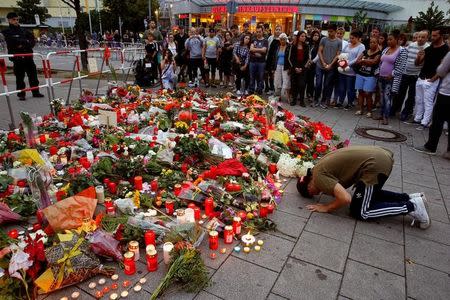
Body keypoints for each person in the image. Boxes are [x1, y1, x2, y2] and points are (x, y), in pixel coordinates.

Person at [297, 146, 430, 229]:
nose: (317, 194)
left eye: (313, 194)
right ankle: (411, 198)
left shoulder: (318, 178)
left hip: (375, 166)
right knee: (366, 196)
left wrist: (326, 208)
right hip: (377, 156)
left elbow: (345, 198)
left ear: (309, 187)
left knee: (360, 211)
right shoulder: (317, 168)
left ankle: (413, 207)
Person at [414, 51, 450, 158]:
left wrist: (442, 63)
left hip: (447, 92)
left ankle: (431, 146)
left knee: (438, 119)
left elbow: (441, 70)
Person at [2, 12, 44, 101]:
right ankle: (21, 94)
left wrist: (23, 43)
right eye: (14, 19)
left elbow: (32, 41)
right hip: (17, 58)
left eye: (17, 19)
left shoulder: (24, 30)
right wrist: (24, 42)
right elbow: (12, 42)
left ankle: (35, 92)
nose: (16, 21)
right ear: (9, 20)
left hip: (28, 56)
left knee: (33, 76)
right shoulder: (6, 31)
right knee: (20, 77)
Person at [413, 27, 449, 130]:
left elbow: (444, 67)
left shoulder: (445, 49)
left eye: (435, 36)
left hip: (431, 79)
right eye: (432, 35)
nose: (432, 38)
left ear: (441, 36)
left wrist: (434, 79)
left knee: (428, 102)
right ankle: (417, 119)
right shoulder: (429, 48)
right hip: (421, 77)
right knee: (419, 100)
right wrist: (418, 57)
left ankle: (424, 122)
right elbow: (417, 64)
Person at [395, 30, 429, 121]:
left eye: (423, 37)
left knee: (411, 95)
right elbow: (404, 56)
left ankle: (406, 112)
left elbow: (418, 63)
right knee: (400, 92)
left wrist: (418, 57)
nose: (420, 39)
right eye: (419, 37)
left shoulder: (427, 48)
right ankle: (394, 109)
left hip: (416, 75)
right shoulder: (411, 45)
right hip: (405, 72)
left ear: (427, 38)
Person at [377, 30, 407, 125]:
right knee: (382, 97)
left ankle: (386, 117)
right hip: (381, 77)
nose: (388, 41)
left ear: (397, 39)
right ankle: (381, 114)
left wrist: (392, 74)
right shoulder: (386, 49)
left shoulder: (402, 51)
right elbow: (381, 62)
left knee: (387, 98)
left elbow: (401, 66)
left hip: (391, 79)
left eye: (391, 39)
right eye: (388, 40)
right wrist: (379, 71)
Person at [314, 24, 342, 108]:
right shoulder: (323, 39)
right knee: (318, 83)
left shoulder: (339, 42)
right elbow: (319, 51)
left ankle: (323, 101)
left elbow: (338, 55)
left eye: (331, 31)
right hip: (320, 65)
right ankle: (316, 100)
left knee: (327, 85)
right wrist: (323, 63)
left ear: (335, 31)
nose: (329, 33)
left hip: (331, 67)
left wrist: (330, 65)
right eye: (328, 31)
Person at [336, 30, 365, 109]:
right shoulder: (348, 45)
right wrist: (341, 62)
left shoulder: (361, 46)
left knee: (350, 89)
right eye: (350, 38)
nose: (351, 40)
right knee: (342, 87)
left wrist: (347, 64)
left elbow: (358, 58)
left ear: (358, 38)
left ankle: (350, 102)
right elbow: (342, 54)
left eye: (353, 38)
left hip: (352, 72)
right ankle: (340, 101)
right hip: (343, 70)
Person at [354, 37, 381, 117]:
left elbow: (374, 62)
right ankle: (360, 109)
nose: (372, 44)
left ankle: (369, 111)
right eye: (371, 42)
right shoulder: (365, 51)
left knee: (368, 93)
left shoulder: (379, 53)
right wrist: (365, 61)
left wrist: (363, 60)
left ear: (377, 43)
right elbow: (357, 61)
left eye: (374, 42)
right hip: (360, 74)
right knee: (360, 92)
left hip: (371, 76)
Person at [269, 33, 291, 102]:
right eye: (281, 39)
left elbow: (290, 58)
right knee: (277, 80)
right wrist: (273, 68)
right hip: (277, 65)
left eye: (284, 39)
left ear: (286, 40)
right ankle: (278, 95)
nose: (282, 41)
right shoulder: (278, 47)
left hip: (285, 66)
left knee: (286, 81)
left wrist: (290, 68)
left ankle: (288, 97)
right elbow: (274, 58)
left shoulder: (289, 47)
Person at [249, 25, 268, 95]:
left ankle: (259, 90)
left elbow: (264, 50)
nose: (258, 33)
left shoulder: (265, 41)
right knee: (252, 76)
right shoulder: (253, 40)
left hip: (261, 62)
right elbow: (251, 49)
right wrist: (259, 52)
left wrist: (255, 50)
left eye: (260, 32)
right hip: (252, 61)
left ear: (262, 32)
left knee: (260, 77)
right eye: (257, 32)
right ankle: (251, 90)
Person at [265, 25, 282, 95]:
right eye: (276, 29)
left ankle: (276, 90)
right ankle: (270, 88)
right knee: (269, 74)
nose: (278, 31)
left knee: (276, 75)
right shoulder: (270, 38)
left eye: (279, 29)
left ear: (281, 31)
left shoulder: (283, 38)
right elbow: (268, 49)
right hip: (270, 58)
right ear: (274, 30)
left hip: (278, 60)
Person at [305, 30, 321, 102]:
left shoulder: (320, 45)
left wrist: (312, 61)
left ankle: (312, 95)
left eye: (317, 35)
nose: (316, 37)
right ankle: (307, 94)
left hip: (315, 65)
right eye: (314, 35)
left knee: (312, 81)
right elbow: (307, 53)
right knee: (307, 80)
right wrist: (308, 62)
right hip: (307, 64)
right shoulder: (309, 44)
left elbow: (319, 55)